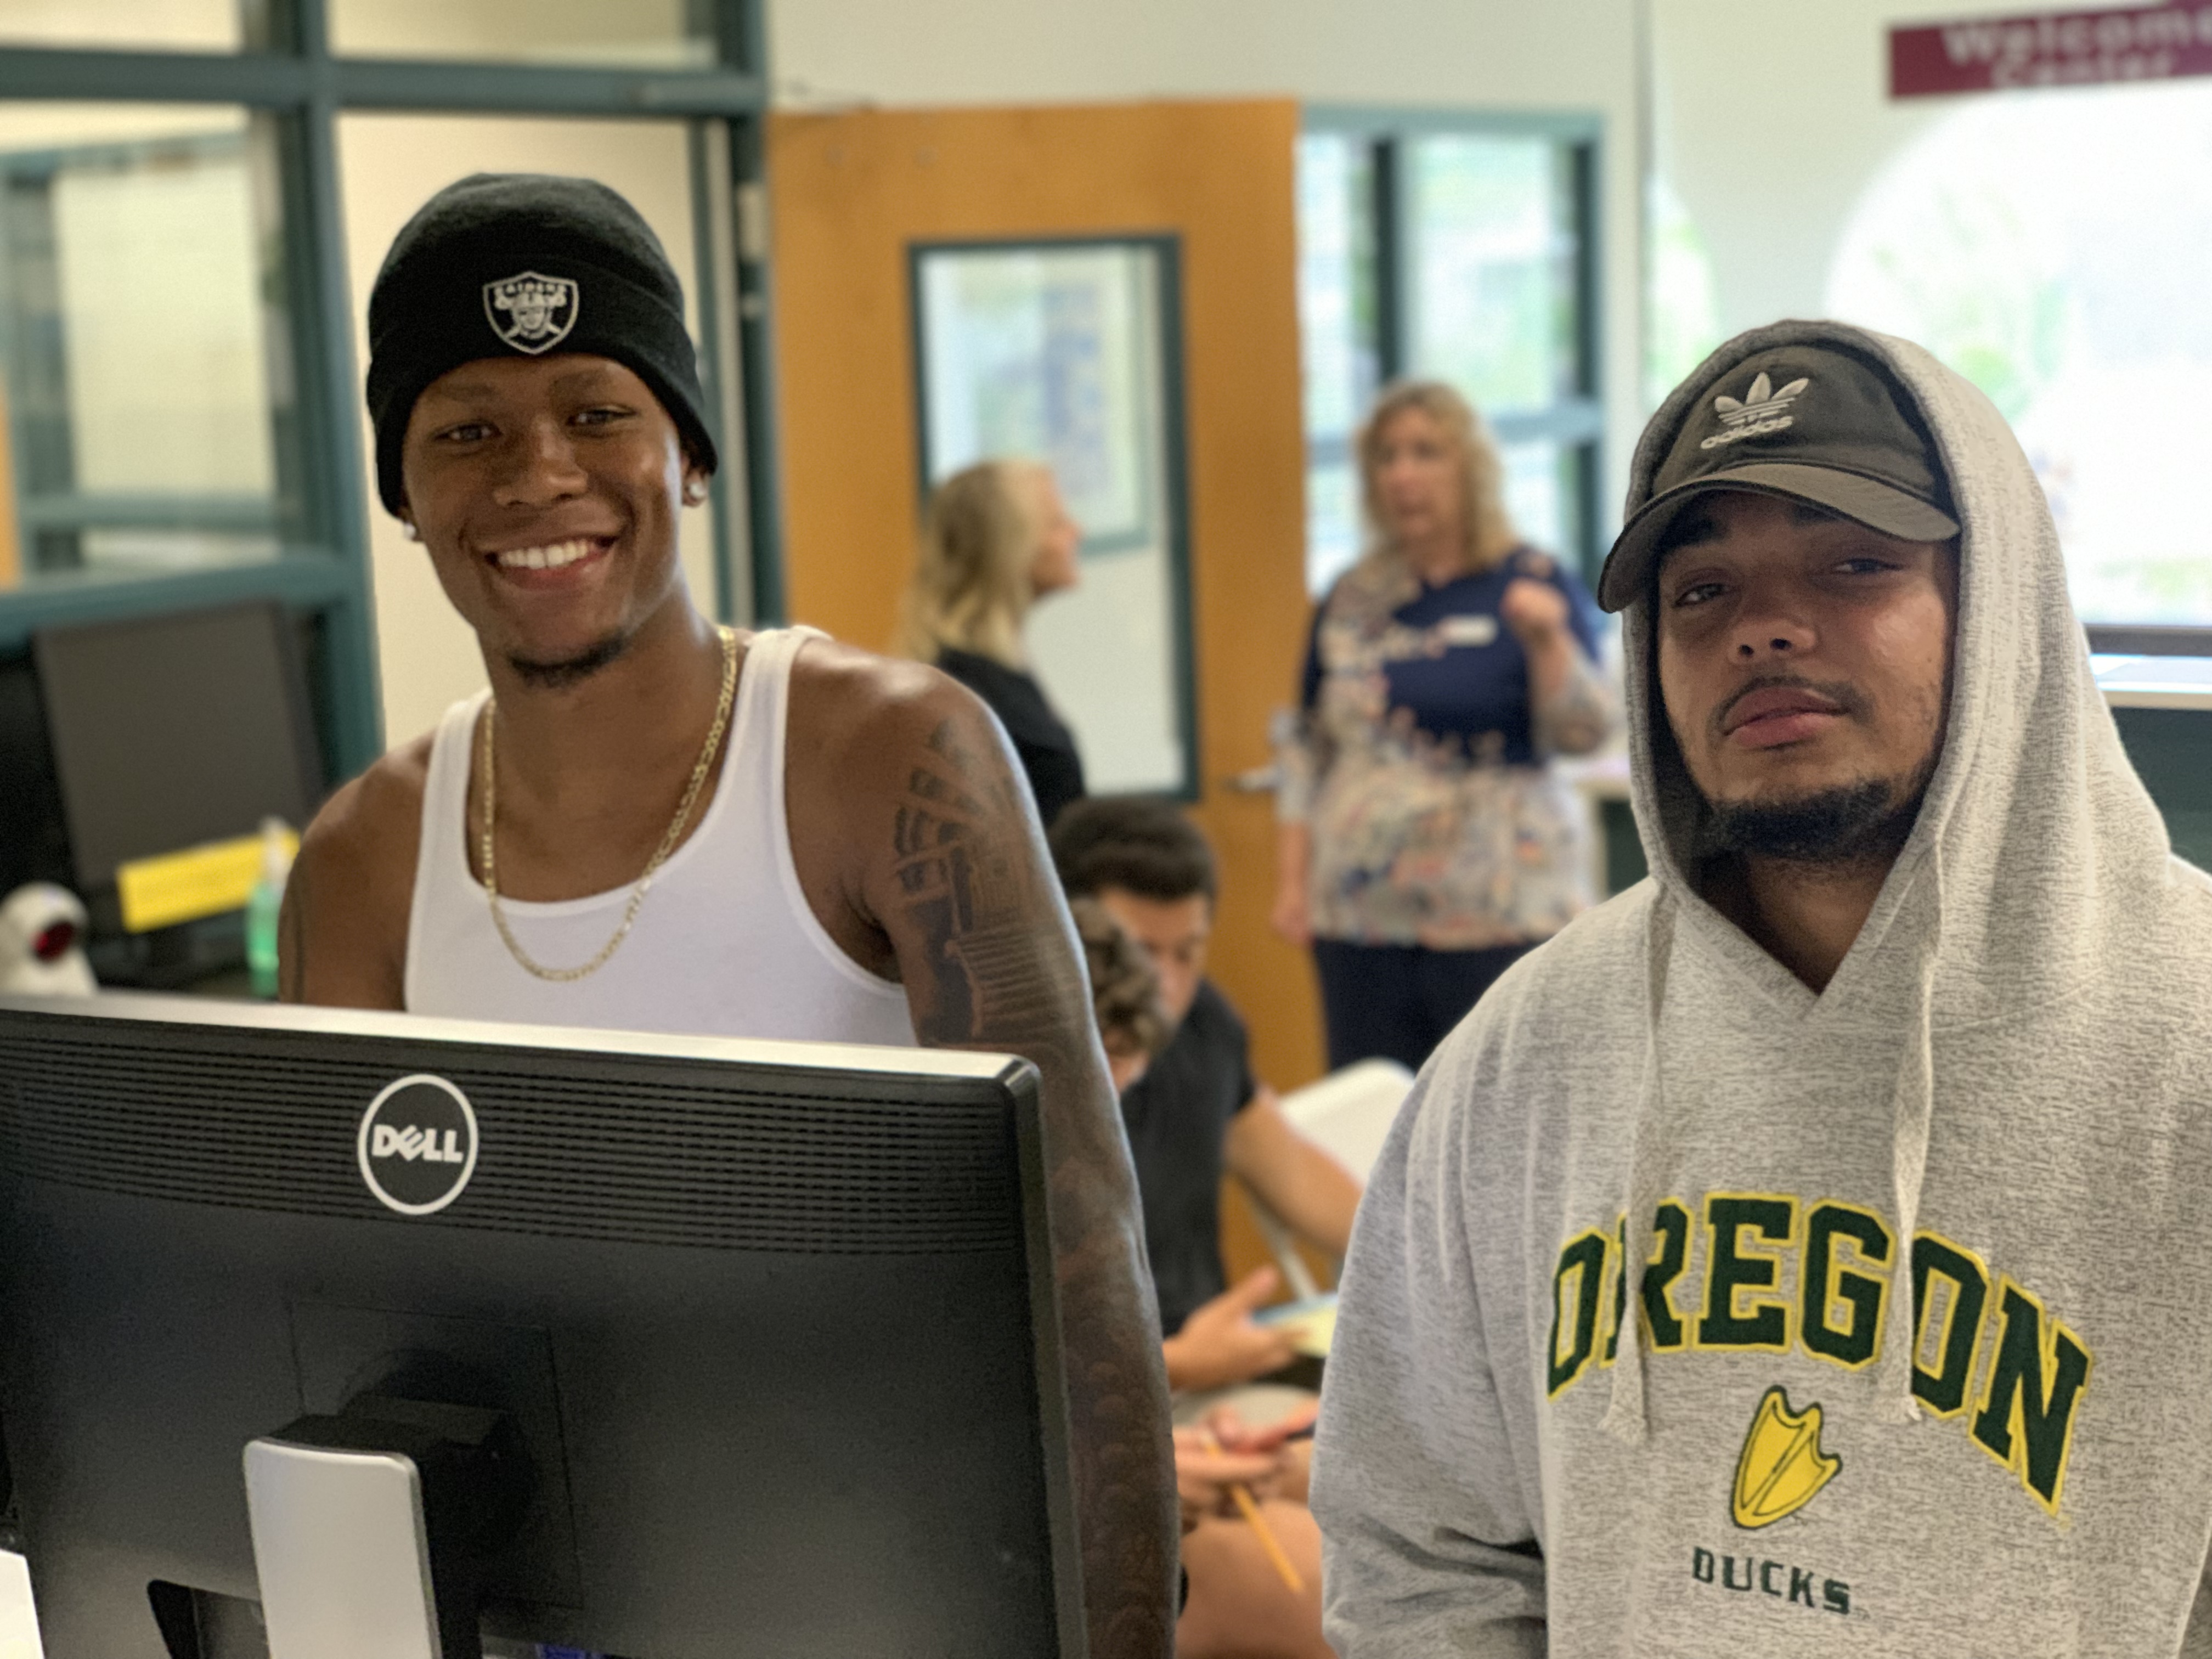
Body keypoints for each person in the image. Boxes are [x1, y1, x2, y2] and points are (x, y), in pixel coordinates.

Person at [277, 173, 1175, 1657]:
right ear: (405, 490)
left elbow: (1082, 1275)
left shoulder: (890, 759)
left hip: (894, 1591)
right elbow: (334, 1329)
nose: (539, 474)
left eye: (597, 411)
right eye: (469, 430)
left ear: (688, 452)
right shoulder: (366, 859)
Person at [1310, 322, 2212, 1654]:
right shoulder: (1530, 1054)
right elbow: (1416, 1543)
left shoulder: (2185, 1039)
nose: (1766, 628)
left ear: (2003, 600)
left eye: (1855, 562)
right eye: (1702, 590)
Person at [1272, 381, 1617, 1074]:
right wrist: (1292, 880)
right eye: (1387, 456)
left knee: (1504, 1114)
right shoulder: (1351, 596)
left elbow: (1588, 733)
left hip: (1502, 911)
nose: (1404, 474)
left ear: (1472, 467)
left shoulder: (1530, 579)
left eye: (1427, 453)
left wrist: (1547, 642)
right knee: (1377, 1117)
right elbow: (1307, 745)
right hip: (1363, 914)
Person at [1071, 888, 1334, 1659]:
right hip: (1078, 1492)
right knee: (1324, 1594)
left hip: (1144, 1440)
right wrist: (1140, 1461)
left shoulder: (1199, 1041)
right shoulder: (953, 1182)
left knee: (1388, 1504)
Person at [1052, 797, 1362, 1398]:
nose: (1166, 984)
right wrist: (1181, 1364)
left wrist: (1436, 1265)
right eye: (1140, 952)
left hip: (1216, 1378)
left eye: (1188, 952)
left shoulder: (1207, 1027)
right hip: (1107, 1407)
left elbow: (1295, 1172)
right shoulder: (1025, 1073)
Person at [898, 460, 1087, 828]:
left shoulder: (1005, 668)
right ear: (1011, 547)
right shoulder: (963, 690)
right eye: (1056, 525)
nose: (1078, 532)